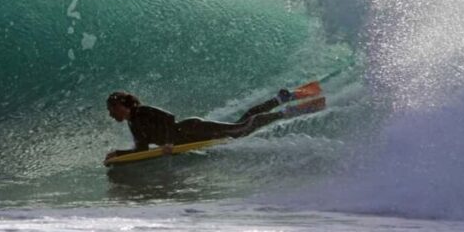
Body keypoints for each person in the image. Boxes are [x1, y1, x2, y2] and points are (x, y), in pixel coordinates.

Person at [105, 84, 323, 159]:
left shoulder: (142, 111)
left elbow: (168, 118)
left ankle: (288, 111)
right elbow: (142, 148)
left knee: (241, 129)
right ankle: (280, 99)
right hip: (188, 136)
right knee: (242, 124)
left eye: (112, 109)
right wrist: (119, 154)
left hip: (193, 129)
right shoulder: (133, 122)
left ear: (124, 106)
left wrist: (169, 142)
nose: (111, 114)